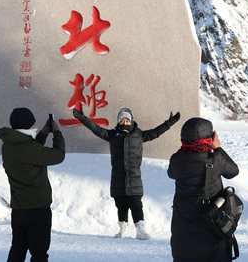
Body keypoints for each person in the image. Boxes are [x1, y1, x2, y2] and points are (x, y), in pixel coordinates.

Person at [72, 106, 179, 239]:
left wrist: (169, 122)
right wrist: (82, 118)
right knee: (121, 203)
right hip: (118, 176)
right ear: (118, 122)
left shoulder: (139, 135)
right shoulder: (112, 135)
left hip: (134, 177)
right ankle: (123, 229)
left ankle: (140, 229)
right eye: (122, 120)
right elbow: (96, 129)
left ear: (131, 121)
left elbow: (156, 132)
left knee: (136, 203)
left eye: (127, 120)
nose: (125, 122)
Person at [0, 107, 65, 262]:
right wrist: (57, 133)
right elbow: (58, 155)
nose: (35, 126)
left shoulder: (8, 145)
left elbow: (31, 151)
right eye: (33, 124)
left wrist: (44, 133)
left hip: (19, 209)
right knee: (39, 254)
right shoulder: (29, 148)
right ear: (27, 125)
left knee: (18, 250)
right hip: (38, 210)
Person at [168, 117, 239, 262]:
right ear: (210, 139)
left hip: (183, 227)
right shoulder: (216, 159)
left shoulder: (176, 160)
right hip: (211, 224)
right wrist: (217, 148)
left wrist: (185, 148)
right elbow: (233, 171)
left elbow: (171, 174)